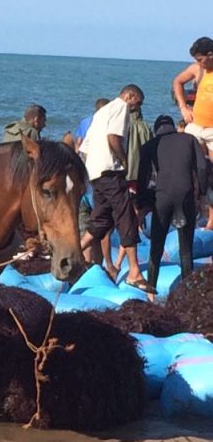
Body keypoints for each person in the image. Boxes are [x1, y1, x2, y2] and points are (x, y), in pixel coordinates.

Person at [81, 84, 150, 291]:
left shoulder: (101, 112)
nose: (134, 110)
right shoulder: (120, 107)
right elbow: (114, 137)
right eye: (136, 104)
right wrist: (124, 161)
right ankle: (135, 273)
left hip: (95, 174)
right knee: (126, 216)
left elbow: (83, 147)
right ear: (129, 96)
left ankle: (72, 254)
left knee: (100, 220)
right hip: (111, 173)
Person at [137, 115, 209, 292]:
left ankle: (151, 290)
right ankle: (188, 292)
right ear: (173, 127)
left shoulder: (149, 146)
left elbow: (143, 178)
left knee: (156, 247)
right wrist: (201, 193)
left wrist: (143, 204)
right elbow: (202, 168)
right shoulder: (189, 140)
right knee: (186, 250)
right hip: (185, 196)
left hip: (162, 197)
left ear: (156, 130)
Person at [172, 36, 213, 227]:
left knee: (211, 173)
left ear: (210, 56)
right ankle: (183, 209)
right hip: (196, 124)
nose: (198, 63)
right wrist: (183, 107)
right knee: (184, 163)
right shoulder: (198, 70)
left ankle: (211, 219)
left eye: (200, 59)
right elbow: (177, 82)